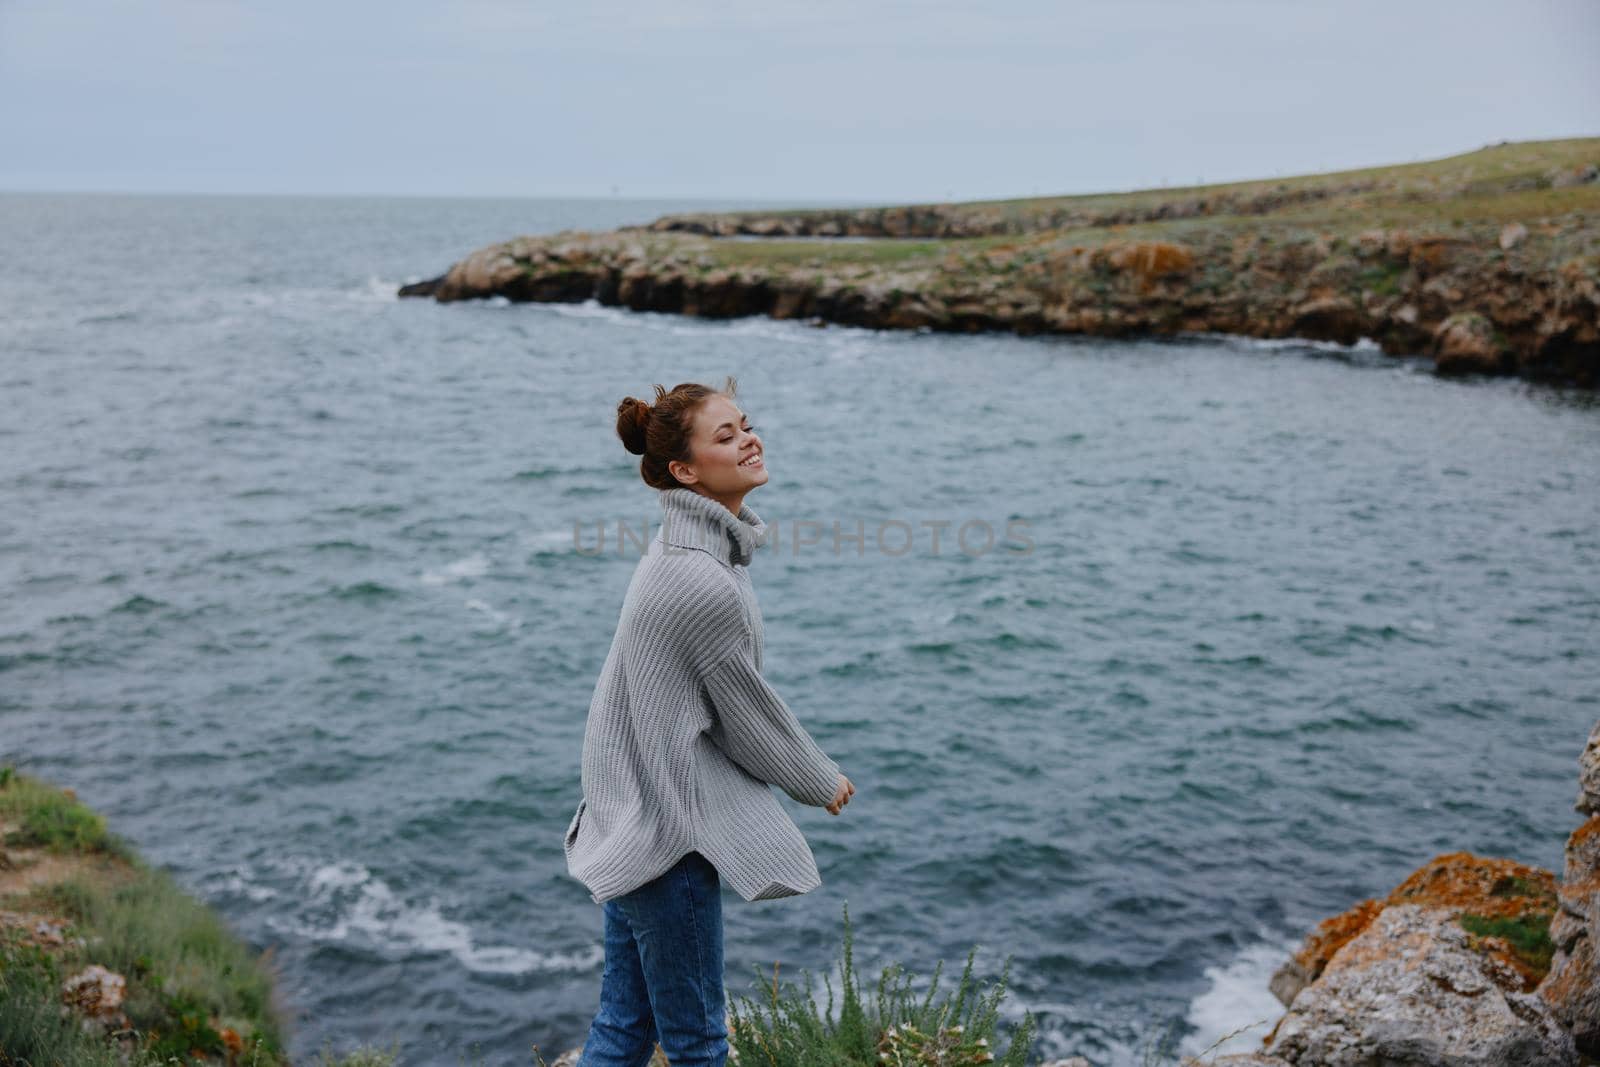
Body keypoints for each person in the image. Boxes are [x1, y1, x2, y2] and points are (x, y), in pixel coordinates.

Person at [565, 377, 856, 1067]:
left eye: (746, 424)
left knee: (623, 1029)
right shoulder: (700, 578)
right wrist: (818, 778)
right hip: (666, 836)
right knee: (697, 1043)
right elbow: (744, 713)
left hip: (630, 818)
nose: (749, 439)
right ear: (684, 470)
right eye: (725, 435)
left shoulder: (682, 554)